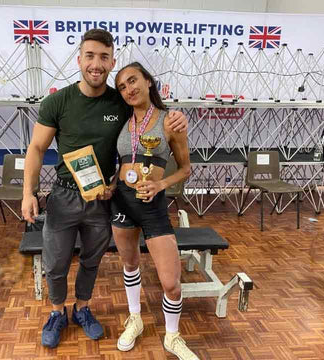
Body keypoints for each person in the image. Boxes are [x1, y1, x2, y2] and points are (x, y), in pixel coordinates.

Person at [22, 29, 188, 349]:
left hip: (103, 197)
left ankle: (82, 308)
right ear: (79, 58)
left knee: (91, 261)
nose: (96, 64)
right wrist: (28, 192)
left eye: (103, 57)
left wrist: (177, 117)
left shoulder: (120, 100)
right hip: (65, 195)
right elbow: (36, 148)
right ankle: (57, 313)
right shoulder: (58, 101)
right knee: (56, 263)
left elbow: (150, 116)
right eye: (90, 56)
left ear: (111, 62)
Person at [111, 62, 198, 359]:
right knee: (130, 264)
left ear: (148, 81)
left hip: (153, 205)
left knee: (171, 283)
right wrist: (110, 186)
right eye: (122, 86)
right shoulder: (122, 120)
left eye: (133, 81)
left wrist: (162, 186)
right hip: (122, 202)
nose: (128, 89)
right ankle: (134, 318)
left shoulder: (170, 122)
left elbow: (186, 169)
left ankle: (172, 336)